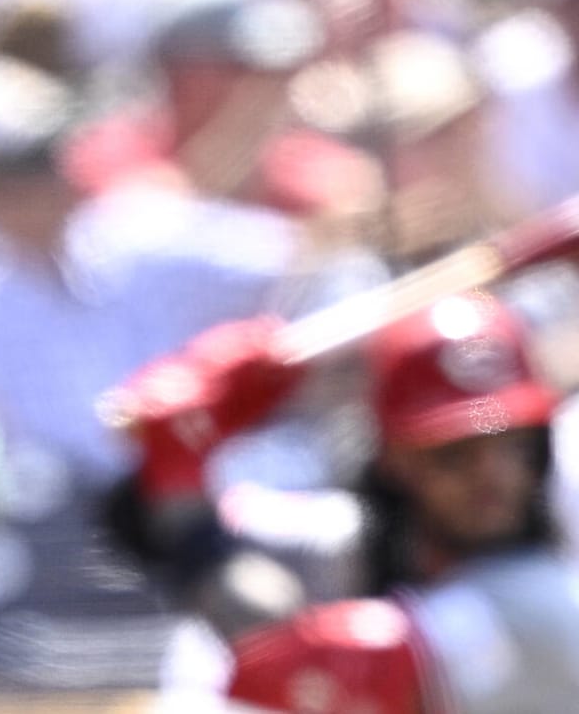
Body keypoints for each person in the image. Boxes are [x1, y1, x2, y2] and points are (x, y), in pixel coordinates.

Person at [108, 289, 579, 712]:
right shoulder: (373, 533)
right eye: (452, 454)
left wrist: (182, 482)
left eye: (513, 445)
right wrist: (201, 424)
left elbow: (306, 672)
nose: (492, 475)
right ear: (396, 457)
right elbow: (144, 526)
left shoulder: (549, 594)